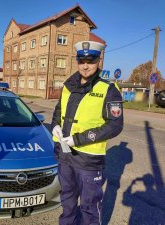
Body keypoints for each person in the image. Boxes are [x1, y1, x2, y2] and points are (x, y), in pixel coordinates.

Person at [51, 41, 124, 225]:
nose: (85, 65)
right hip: (64, 157)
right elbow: (58, 112)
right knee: (67, 204)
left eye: (90, 60)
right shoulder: (68, 86)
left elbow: (115, 125)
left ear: (99, 61)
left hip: (88, 160)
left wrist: (79, 139)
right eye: (81, 60)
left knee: (89, 208)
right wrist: (55, 125)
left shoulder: (108, 90)